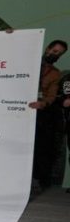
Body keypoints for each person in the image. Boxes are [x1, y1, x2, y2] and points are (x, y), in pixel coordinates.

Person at [28, 40, 66, 191]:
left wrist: (43, 103)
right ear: (48, 48)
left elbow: (51, 95)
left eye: (60, 54)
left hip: (39, 113)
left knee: (39, 146)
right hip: (14, 110)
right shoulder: (28, 60)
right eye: (55, 51)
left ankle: (35, 179)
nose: (55, 55)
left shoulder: (55, 73)